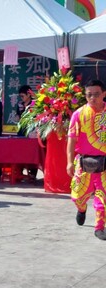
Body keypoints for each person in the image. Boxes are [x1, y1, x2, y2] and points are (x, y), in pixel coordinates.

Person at [66, 79, 106, 241]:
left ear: (104, 94)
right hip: (83, 163)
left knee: (103, 197)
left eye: (96, 94)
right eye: (89, 95)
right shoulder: (79, 114)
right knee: (77, 196)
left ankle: (99, 226)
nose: (92, 98)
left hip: (104, 163)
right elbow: (71, 140)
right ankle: (81, 209)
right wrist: (69, 162)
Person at [16, 85, 37, 180]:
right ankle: (19, 172)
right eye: (20, 96)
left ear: (29, 94)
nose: (21, 98)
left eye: (23, 96)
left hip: (32, 131)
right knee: (19, 151)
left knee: (32, 152)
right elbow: (18, 117)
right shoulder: (20, 104)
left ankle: (32, 173)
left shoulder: (35, 104)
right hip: (21, 130)